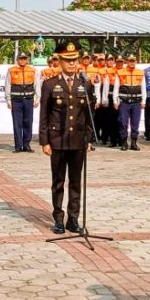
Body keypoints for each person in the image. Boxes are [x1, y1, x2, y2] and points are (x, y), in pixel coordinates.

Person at [39, 41, 94, 234]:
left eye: (74, 60)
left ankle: (74, 219)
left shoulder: (85, 84)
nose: (71, 64)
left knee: (76, 182)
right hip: (58, 140)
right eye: (67, 60)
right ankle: (59, 218)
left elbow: (89, 115)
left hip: (78, 141)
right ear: (59, 61)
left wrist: (89, 138)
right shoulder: (50, 84)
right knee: (58, 181)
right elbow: (44, 115)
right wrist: (44, 141)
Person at [5, 52, 40, 153]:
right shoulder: (11, 70)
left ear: (27, 59)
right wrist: (8, 100)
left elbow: (37, 85)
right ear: (17, 59)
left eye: (24, 58)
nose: (23, 60)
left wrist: (38, 98)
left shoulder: (32, 70)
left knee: (28, 122)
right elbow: (7, 85)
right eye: (21, 58)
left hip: (28, 99)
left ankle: (26, 144)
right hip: (16, 100)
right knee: (17, 123)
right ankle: (18, 146)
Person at [113, 55, 147, 151]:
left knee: (135, 123)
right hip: (124, 102)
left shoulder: (140, 72)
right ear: (127, 62)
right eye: (130, 61)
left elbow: (143, 87)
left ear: (136, 61)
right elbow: (116, 87)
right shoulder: (120, 72)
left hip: (136, 102)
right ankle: (124, 142)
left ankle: (134, 142)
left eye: (133, 61)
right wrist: (115, 101)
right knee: (123, 123)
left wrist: (143, 100)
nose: (132, 63)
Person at [100, 55, 121, 147]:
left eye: (121, 62)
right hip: (111, 97)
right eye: (118, 62)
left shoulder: (125, 72)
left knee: (121, 120)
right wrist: (104, 100)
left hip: (122, 98)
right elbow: (106, 86)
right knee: (111, 120)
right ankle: (112, 140)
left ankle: (121, 140)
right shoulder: (109, 71)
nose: (119, 63)